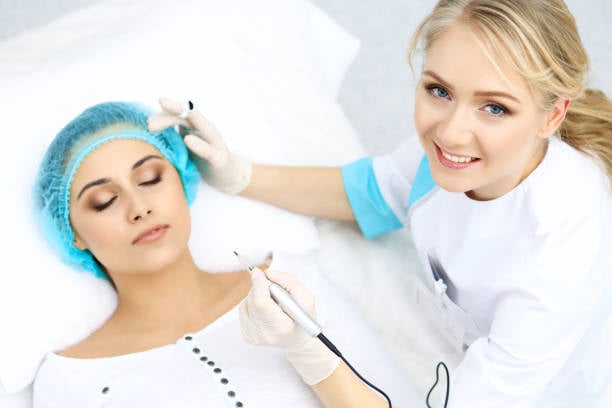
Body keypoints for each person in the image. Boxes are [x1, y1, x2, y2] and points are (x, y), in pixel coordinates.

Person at [147, 0, 612, 406]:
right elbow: (374, 190)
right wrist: (238, 175)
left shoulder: (557, 257)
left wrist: (307, 350)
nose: (451, 132)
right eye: (439, 90)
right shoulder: (461, 154)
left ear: (552, 115)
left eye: (494, 108)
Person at [30, 101, 416, 407]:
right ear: (72, 233)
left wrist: (308, 352)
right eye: (104, 201)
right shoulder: (69, 380)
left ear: (182, 180)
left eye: (150, 179)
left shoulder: (291, 287)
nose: (139, 208)